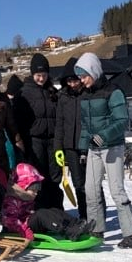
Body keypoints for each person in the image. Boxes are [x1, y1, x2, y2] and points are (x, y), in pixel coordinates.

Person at [75, 52, 132, 248]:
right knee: (90, 190)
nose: (81, 80)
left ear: (94, 72)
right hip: (94, 148)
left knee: (116, 190)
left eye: (84, 75)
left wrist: (104, 135)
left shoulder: (114, 92)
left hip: (112, 147)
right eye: (79, 76)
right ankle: (97, 229)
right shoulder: (84, 95)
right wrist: (82, 150)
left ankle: (130, 233)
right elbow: (86, 126)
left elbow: (121, 120)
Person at [14, 53, 63, 210]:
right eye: (38, 75)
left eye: (44, 75)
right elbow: (19, 121)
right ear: (32, 74)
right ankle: (41, 211)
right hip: (35, 141)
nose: (41, 78)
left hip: (53, 140)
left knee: (54, 176)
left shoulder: (53, 92)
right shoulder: (24, 93)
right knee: (38, 176)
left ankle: (56, 209)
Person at [1, 162, 92, 241]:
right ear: (23, 186)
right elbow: (10, 221)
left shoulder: (26, 198)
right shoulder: (11, 200)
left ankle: (77, 224)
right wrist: (25, 232)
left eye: (38, 189)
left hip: (28, 224)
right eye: (33, 189)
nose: (36, 193)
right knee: (41, 215)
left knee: (53, 210)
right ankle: (69, 231)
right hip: (18, 230)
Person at [54, 57, 88, 219]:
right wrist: (58, 148)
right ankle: (84, 216)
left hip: (88, 145)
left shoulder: (88, 94)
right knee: (78, 184)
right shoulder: (63, 97)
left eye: (76, 80)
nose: (73, 84)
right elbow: (59, 124)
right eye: (70, 81)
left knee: (92, 184)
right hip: (70, 146)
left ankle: (97, 214)